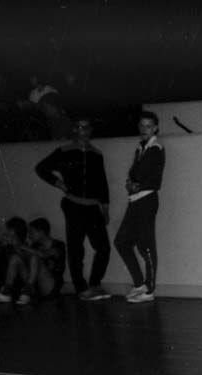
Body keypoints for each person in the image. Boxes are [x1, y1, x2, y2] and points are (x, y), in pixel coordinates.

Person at [35, 117, 112, 300]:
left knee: (103, 247)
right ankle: (81, 288)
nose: (82, 131)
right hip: (73, 205)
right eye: (79, 127)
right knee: (76, 249)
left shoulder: (96, 154)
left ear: (90, 130)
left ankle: (95, 284)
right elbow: (41, 168)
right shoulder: (64, 151)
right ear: (74, 130)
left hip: (93, 207)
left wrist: (105, 209)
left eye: (86, 127)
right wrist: (59, 183)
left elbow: (102, 183)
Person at [114, 111, 165, 304]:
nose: (144, 129)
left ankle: (149, 289)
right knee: (121, 241)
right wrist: (130, 183)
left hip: (146, 200)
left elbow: (154, 181)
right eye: (142, 125)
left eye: (148, 126)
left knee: (146, 245)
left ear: (155, 128)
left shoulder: (156, 148)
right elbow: (134, 174)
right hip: (136, 200)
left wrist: (136, 185)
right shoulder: (141, 148)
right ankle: (139, 284)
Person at [26, 217, 67, 297]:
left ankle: (27, 291)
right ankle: (7, 291)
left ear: (41, 232)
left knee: (34, 258)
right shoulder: (35, 246)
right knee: (16, 259)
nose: (29, 235)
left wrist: (22, 246)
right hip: (37, 284)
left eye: (31, 232)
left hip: (51, 284)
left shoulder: (58, 245)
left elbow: (44, 255)